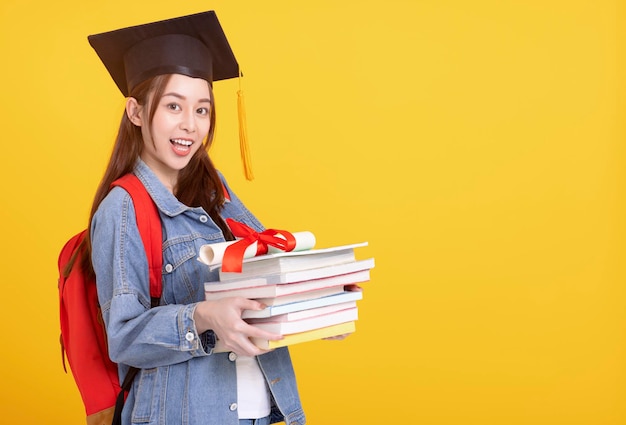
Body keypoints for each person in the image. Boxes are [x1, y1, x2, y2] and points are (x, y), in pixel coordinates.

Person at [83, 11, 307, 425]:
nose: (190, 125)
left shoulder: (215, 190)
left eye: (202, 110)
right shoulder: (124, 206)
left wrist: (318, 301)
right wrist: (200, 316)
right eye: (173, 106)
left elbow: (259, 276)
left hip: (258, 413)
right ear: (135, 111)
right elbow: (124, 336)